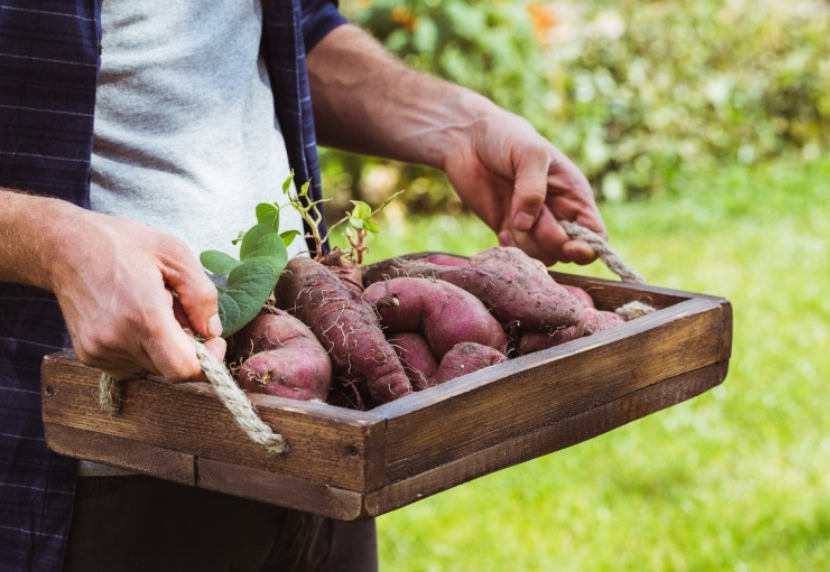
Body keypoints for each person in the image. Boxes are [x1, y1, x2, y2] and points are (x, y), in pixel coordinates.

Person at [0, 1, 606, 571]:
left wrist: (456, 126)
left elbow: (296, 31)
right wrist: (54, 244)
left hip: (321, 420)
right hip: (95, 462)